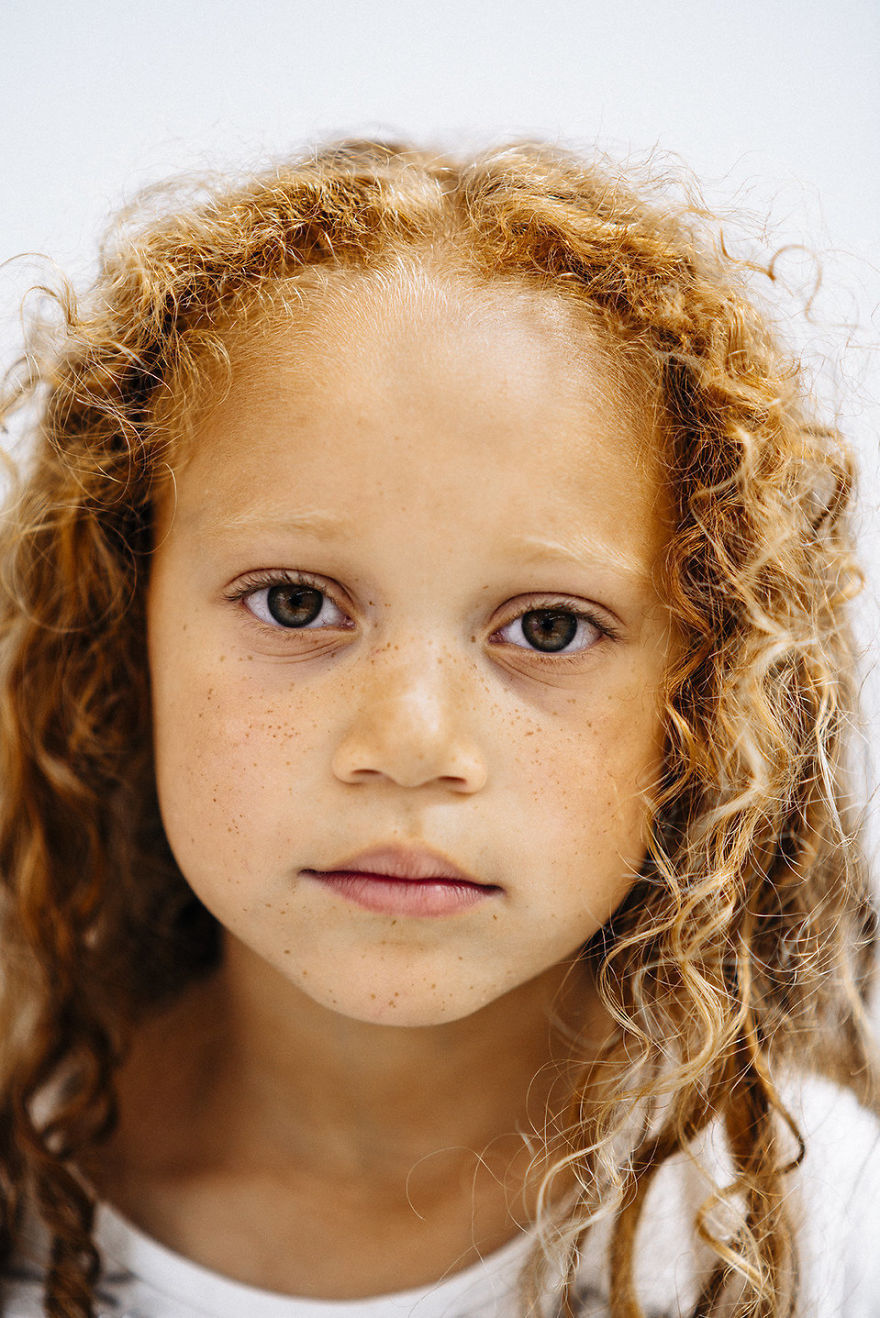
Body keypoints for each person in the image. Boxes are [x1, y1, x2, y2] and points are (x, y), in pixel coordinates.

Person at [0, 137, 878, 1318]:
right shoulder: (19, 1169)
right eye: (295, 603)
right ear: (124, 626)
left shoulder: (823, 1239)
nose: (412, 743)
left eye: (549, 628)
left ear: (702, 692)